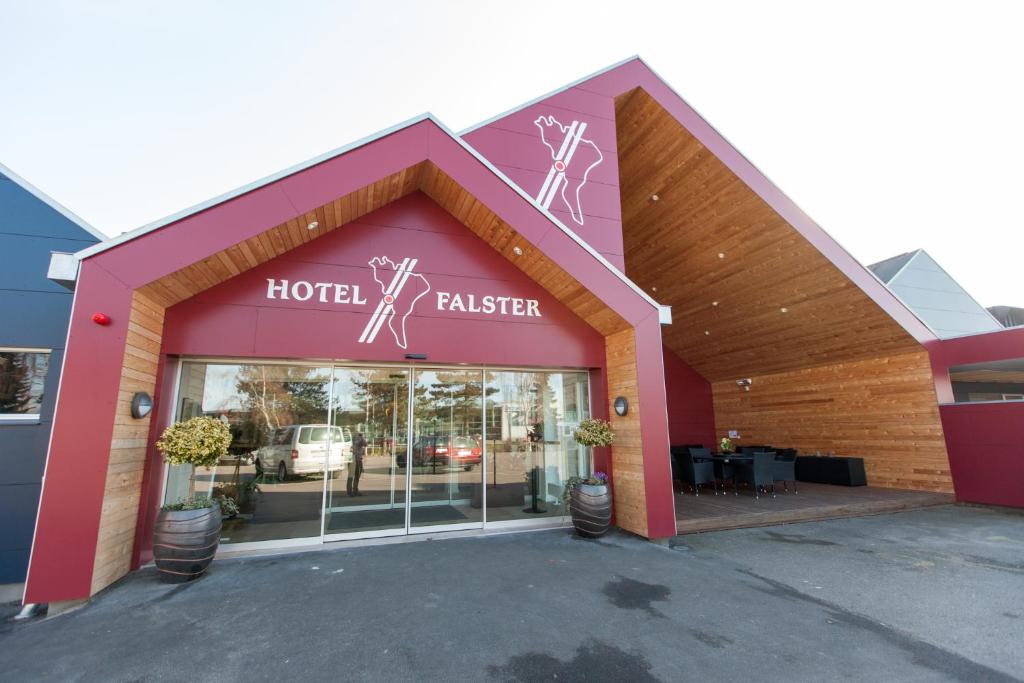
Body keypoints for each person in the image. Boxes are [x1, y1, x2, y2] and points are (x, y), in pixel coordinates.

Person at [347, 431, 367, 496]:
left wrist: (361, 437)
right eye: (356, 434)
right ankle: (349, 492)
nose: (357, 435)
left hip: (358, 459)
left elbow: (365, 444)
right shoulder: (350, 441)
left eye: (358, 434)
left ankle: (355, 490)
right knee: (351, 476)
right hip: (352, 459)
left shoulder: (360, 440)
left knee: (357, 475)